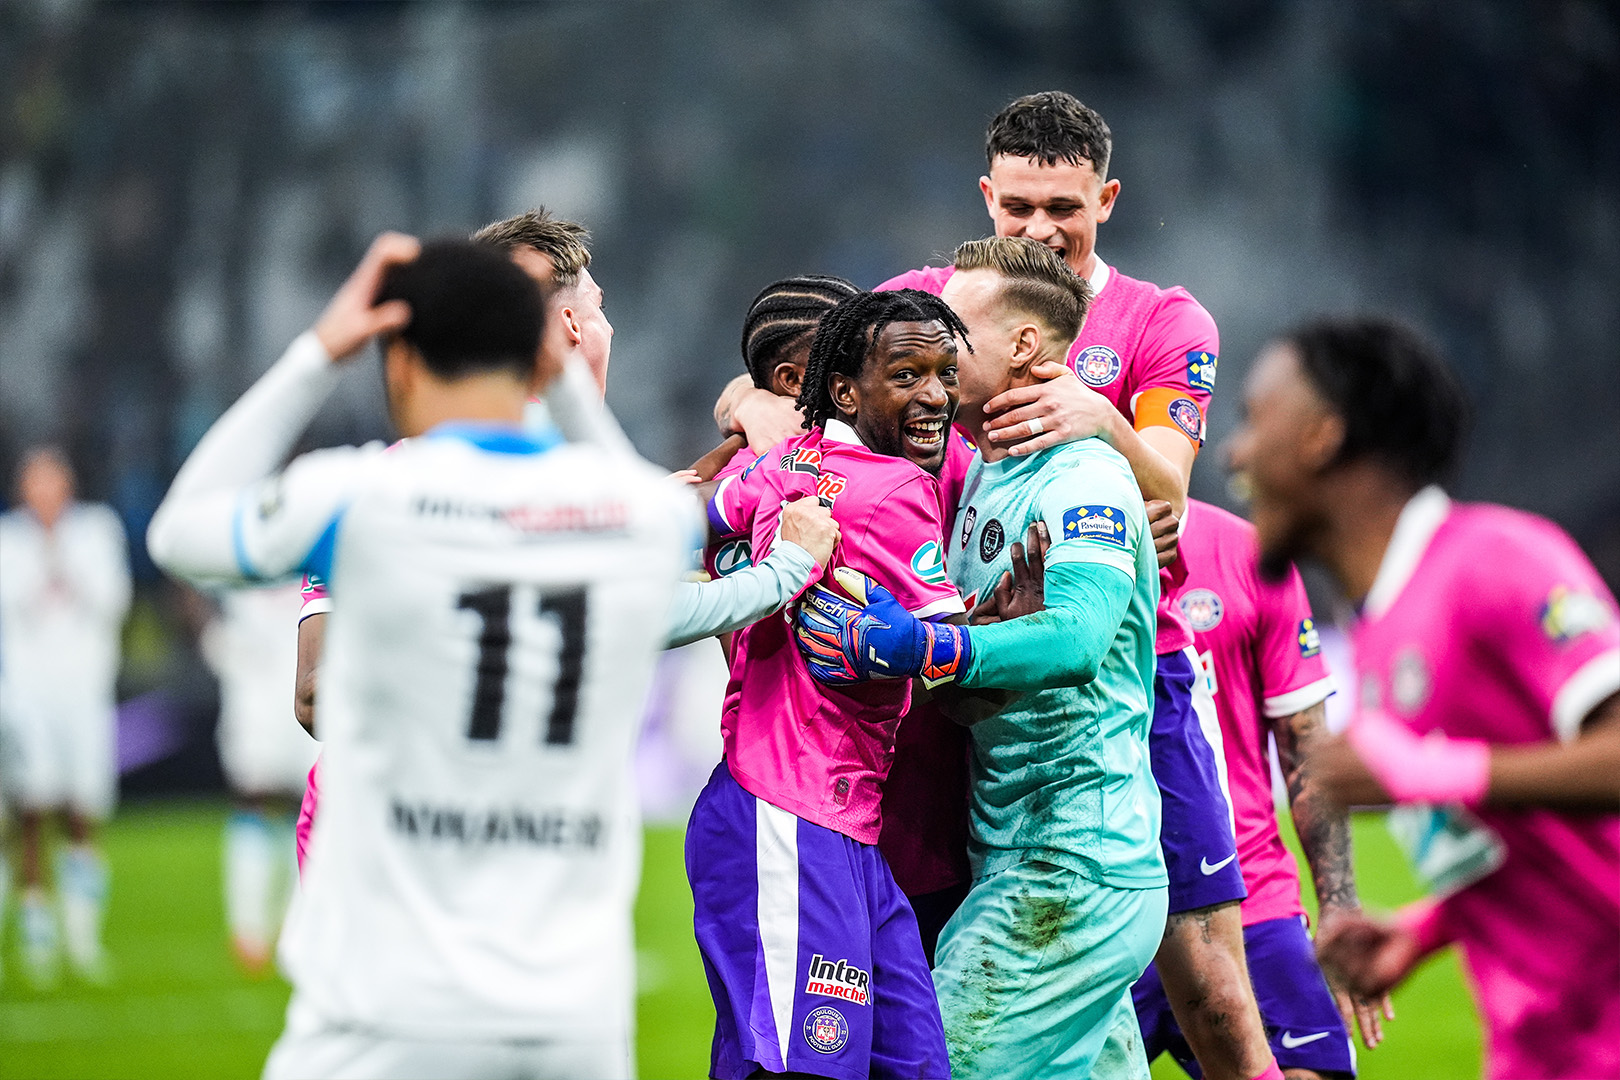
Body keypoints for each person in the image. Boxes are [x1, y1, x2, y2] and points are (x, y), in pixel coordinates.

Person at [147, 234, 701, 1079]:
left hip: (390, 1011)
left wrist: (319, 350)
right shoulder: (642, 520)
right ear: (551, 351)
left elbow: (177, 532)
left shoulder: (358, 497)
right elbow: (622, 485)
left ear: (397, 361)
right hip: (575, 1023)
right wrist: (559, 370)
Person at [288, 214, 841, 871]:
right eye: (599, 308)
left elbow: (314, 695)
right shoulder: (576, 498)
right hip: (478, 829)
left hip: (377, 820)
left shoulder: (376, 482)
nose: (608, 329)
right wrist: (782, 572)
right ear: (572, 328)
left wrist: (743, 409)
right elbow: (631, 609)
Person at [797, 236, 1169, 1079]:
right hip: (1022, 855)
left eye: (956, 325)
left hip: (1070, 868)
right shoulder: (985, 478)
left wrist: (923, 643)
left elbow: (1076, 637)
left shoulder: (1081, 478)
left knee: (940, 1067)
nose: (935, 338)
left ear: (1025, 348)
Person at [1226, 316, 1620, 1080]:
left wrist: (1441, 773)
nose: (1236, 451)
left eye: (1254, 418)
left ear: (1321, 436)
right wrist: (1426, 929)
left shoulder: (1494, 559)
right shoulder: (1377, 632)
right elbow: (1515, 843)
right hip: (1543, 1047)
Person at [688, 288, 972, 1080]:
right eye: (909, 373)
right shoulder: (901, 490)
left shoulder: (782, 461)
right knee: (809, 1068)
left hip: (830, 823)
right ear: (845, 389)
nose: (937, 396)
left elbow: (694, 517)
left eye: (945, 373)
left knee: (907, 1066)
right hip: (789, 816)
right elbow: (955, 656)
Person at [1136, 497, 1386, 1079]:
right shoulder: (1048, 540)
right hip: (1107, 906)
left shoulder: (1249, 553)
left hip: (1248, 899)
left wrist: (1341, 905)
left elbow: (1305, 751)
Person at [0, 446, 131, 986]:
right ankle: (37, 937)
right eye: (35, 483)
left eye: (53, 482)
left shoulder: (98, 531)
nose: (45, 494)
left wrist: (63, 560)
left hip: (85, 694)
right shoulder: (9, 540)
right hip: (28, 697)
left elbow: (112, 601)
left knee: (83, 813)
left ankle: (82, 937)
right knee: (31, 814)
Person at [199, 582, 319, 972]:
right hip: (256, 674)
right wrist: (208, 631)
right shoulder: (245, 525)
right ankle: (247, 929)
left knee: (313, 803)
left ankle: (298, 924)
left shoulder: (319, 529)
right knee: (254, 794)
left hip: (310, 666)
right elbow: (187, 572)